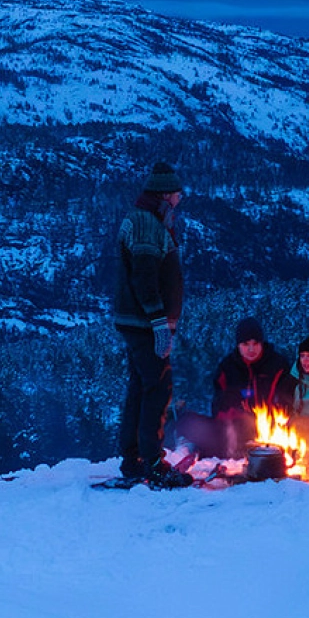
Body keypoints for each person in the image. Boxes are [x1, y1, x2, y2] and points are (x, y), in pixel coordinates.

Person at [112, 162, 190, 486]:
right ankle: (153, 463)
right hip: (144, 323)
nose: (179, 200)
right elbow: (144, 277)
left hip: (136, 322)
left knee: (140, 388)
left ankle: (133, 459)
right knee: (158, 387)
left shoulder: (147, 219)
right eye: (177, 195)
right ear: (165, 195)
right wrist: (159, 321)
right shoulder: (146, 224)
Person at [180, 316, 293, 459]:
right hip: (235, 428)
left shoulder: (278, 365)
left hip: (270, 428)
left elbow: (287, 399)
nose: (251, 349)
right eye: (246, 344)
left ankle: (227, 450)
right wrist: (230, 412)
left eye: (255, 343)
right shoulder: (227, 367)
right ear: (238, 345)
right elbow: (219, 403)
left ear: (262, 343)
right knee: (188, 421)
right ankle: (195, 448)